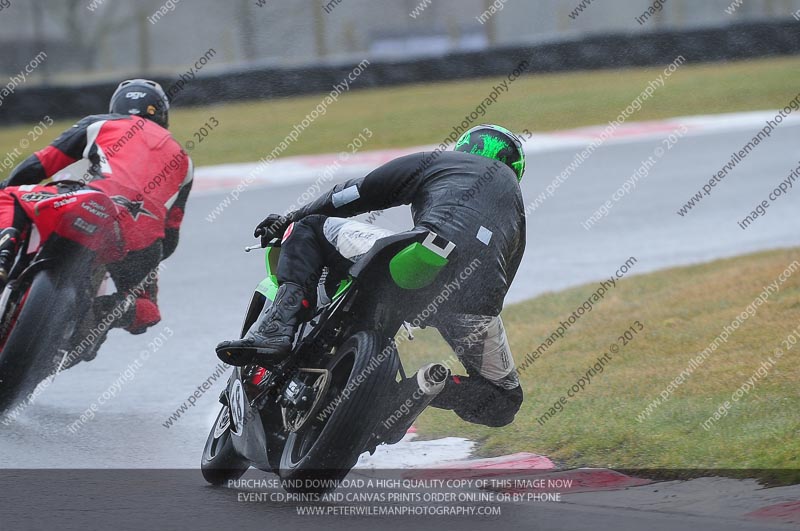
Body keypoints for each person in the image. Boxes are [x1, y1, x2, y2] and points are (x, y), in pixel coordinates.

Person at [217, 124, 526, 427]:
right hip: (474, 300)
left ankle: (276, 330)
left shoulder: (445, 162)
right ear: (516, 169)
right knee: (503, 399)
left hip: (421, 252)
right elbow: (501, 284)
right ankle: (420, 390)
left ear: (466, 147)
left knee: (308, 226)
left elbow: (354, 194)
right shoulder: (518, 214)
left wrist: (290, 218)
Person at [0, 79, 193, 335]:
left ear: (116, 106)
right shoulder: (185, 161)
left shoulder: (100, 123)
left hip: (95, 205)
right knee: (147, 311)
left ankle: (3, 257)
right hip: (142, 241)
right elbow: (171, 235)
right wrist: (144, 259)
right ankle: (101, 312)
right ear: (162, 114)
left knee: (10, 196)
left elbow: (38, 166)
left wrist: (8, 185)